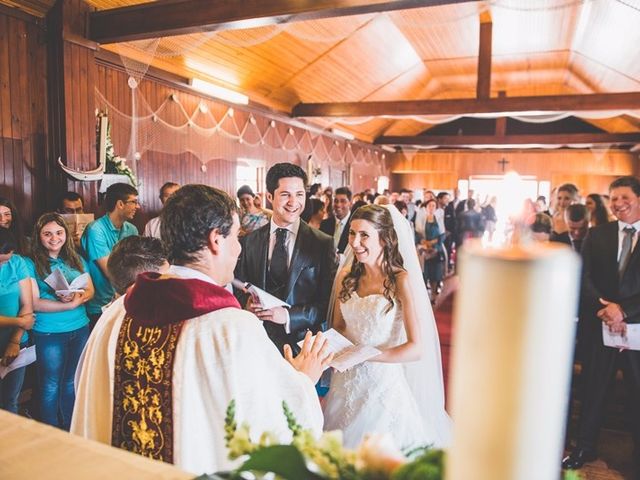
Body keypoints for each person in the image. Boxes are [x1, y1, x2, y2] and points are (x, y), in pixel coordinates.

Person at [71, 184, 330, 474]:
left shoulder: (117, 313)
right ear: (215, 240)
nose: (239, 247)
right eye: (235, 236)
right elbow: (276, 423)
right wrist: (304, 380)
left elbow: (88, 396)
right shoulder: (230, 328)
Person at [323, 204, 451, 449]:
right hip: (345, 381)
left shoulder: (400, 280)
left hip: (380, 385)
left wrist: (369, 356)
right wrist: (327, 345)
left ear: (384, 238)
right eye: (352, 233)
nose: (355, 242)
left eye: (364, 235)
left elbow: (416, 348)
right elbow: (339, 326)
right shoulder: (346, 276)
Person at [562, 176, 640, 473]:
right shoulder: (599, 235)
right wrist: (607, 310)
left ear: (638, 198)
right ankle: (584, 447)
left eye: (624, 197)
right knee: (593, 390)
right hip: (601, 324)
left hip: (637, 326)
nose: (618, 204)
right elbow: (584, 277)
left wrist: (625, 311)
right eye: (613, 198)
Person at [235, 163, 338, 355]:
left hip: (302, 346)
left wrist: (290, 316)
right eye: (285, 195)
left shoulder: (322, 243)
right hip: (257, 343)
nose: (293, 202)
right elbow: (238, 287)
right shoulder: (249, 242)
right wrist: (246, 304)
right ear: (269, 197)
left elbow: (327, 304)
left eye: (299, 194)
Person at [25, 213, 93, 430]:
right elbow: (33, 303)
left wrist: (76, 297)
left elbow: (90, 289)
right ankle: (51, 432)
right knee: (50, 385)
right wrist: (69, 305)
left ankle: (70, 430)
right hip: (49, 331)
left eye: (59, 232)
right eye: (47, 234)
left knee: (71, 382)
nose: (54, 238)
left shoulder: (76, 258)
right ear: (39, 236)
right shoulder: (29, 262)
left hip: (80, 327)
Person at [81, 183, 139, 325]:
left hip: (125, 300)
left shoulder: (132, 229)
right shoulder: (96, 229)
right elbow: (110, 270)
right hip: (99, 304)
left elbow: (138, 265)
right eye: (134, 202)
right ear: (120, 204)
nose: (137, 206)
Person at [0, 228, 34, 413]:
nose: (3, 265)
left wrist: (15, 340)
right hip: (16, 327)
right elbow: (25, 320)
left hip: (16, 342)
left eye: (5, 261)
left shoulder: (17, 262)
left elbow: (27, 305)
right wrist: (19, 322)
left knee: (10, 400)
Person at [320, 187, 353, 255]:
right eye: (336, 201)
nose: (338, 205)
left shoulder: (354, 225)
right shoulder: (325, 224)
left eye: (343, 201)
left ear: (350, 203)